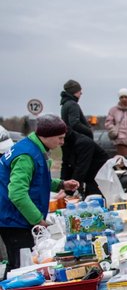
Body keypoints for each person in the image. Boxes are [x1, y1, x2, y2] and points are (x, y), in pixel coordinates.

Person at [0, 115, 78, 270]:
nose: (62, 142)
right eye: (60, 138)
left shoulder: (33, 147)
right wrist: (37, 219)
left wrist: (61, 184)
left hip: (17, 217)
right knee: (22, 267)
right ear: (46, 136)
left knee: (23, 263)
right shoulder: (26, 155)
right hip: (13, 219)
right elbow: (17, 194)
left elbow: (36, 179)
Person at [61, 129, 108, 197]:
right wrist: (62, 185)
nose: (60, 142)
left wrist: (68, 191)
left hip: (99, 176)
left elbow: (81, 168)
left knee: (94, 197)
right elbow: (66, 164)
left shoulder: (84, 143)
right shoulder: (65, 142)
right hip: (88, 174)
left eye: (61, 138)